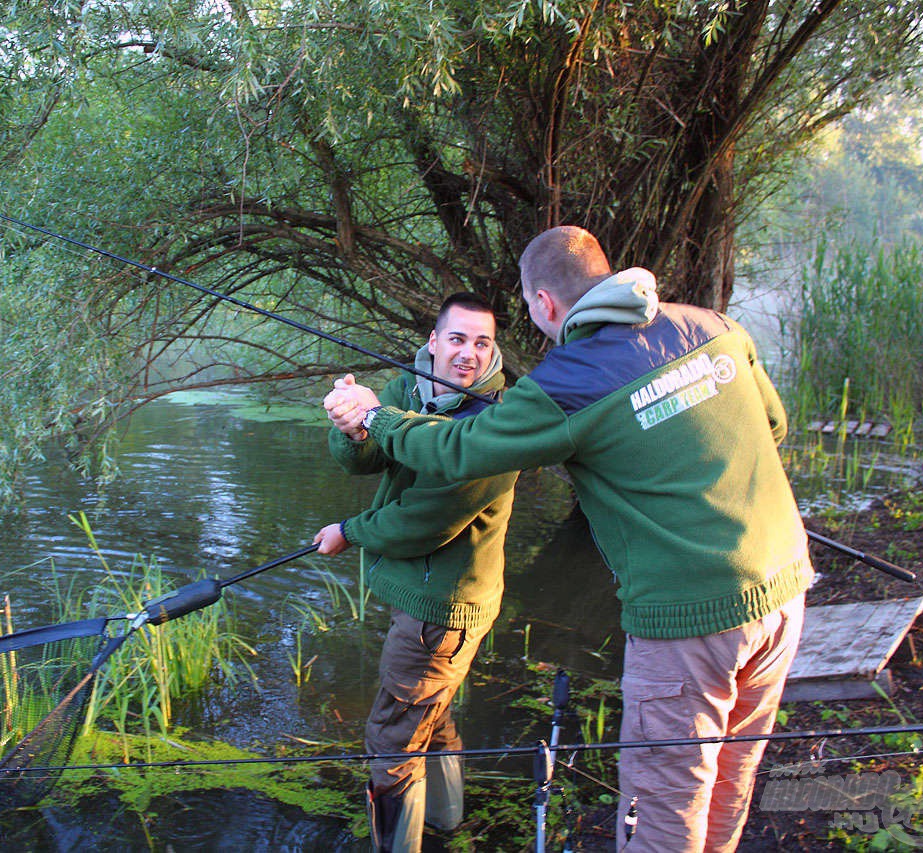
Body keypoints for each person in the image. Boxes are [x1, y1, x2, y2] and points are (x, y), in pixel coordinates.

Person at [324, 227, 812, 852]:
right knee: (728, 776)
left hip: (691, 617)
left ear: (545, 305)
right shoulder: (711, 324)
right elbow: (772, 425)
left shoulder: (572, 379)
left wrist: (372, 417)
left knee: (664, 807)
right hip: (784, 583)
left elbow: (460, 449)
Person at [313, 292, 518, 852]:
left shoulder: (497, 420)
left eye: (482, 342)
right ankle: (449, 827)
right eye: (457, 339)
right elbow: (365, 460)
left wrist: (349, 531)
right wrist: (353, 421)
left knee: (391, 737)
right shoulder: (412, 385)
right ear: (433, 342)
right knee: (434, 715)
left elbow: (429, 521)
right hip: (427, 597)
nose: (469, 354)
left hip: (444, 605)